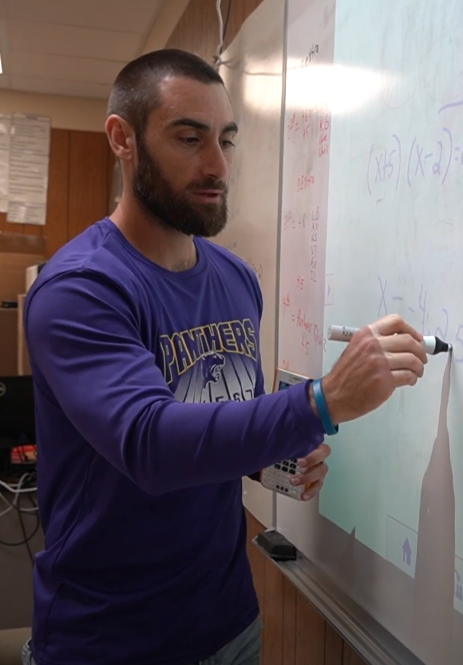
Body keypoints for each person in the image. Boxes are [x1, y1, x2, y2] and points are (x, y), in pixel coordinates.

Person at [21, 48, 429, 665]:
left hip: (228, 623)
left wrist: (266, 460)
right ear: (122, 139)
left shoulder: (236, 279)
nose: (217, 165)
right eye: (190, 139)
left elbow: (212, 417)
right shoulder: (79, 289)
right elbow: (150, 441)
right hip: (109, 641)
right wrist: (322, 401)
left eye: (227, 141)